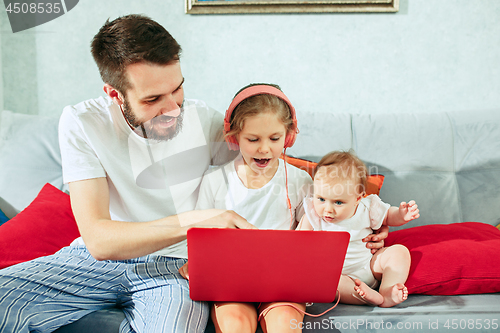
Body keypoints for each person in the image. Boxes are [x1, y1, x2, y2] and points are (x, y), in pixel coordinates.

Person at [0, 15, 388, 333]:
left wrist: (361, 213)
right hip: (94, 262)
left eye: (178, 89)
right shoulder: (82, 123)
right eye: (153, 99)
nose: (173, 108)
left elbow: (269, 158)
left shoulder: (202, 119)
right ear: (114, 94)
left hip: (175, 270)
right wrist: (199, 220)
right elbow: (99, 239)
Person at [180, 83, 312, 333]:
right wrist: (195, 261)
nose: (264, 148)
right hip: (232, 281)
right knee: (234, 325)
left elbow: (315, 234)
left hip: (282, 282)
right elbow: (199, 234)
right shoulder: (214, 181)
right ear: (233, 137)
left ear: (289, 137)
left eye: (275, 139)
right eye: (253, 139)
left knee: (284, 324)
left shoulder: (300, 181)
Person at [298, 151, 419, 308]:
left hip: (369, 265)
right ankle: (371, 298)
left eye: (338, 202)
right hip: (338, 276)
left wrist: (402, 215)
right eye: (321, 199)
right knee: (324, 282)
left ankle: (388, 290)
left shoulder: (368, 207)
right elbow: (298, 245)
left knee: (399, 252)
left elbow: (388, 216)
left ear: (357, 198)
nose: (328, 209)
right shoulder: (312, 215)